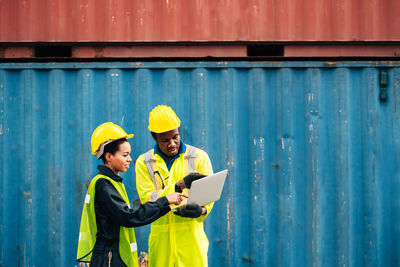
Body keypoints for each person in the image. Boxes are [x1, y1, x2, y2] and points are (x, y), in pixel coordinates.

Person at [77, 122, 186, 267]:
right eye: (125, 155)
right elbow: (129, 216)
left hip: (112, 256)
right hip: (108, 259)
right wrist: (165, 201)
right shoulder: (103, 184)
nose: (129, 159)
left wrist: (167, 203)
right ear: (108, 156)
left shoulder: (112, 182)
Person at [135, 105, 214, 267]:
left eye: (175, 137)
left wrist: (202, 210)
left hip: (192, 242)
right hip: (161, 244)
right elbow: (147, 199)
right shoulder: (144, 162)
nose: (172, 143)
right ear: (154, 137)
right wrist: (177, 187)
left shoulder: (199, 157)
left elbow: (209, 196)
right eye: (165, 140)